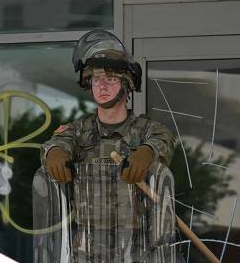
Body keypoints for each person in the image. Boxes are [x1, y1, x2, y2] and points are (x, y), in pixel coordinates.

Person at [42, 29, 175, 186]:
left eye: (111, 79)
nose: (102, 87)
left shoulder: (147, 130)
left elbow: (163, 139)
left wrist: (148, 151)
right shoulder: (78, 130)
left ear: (127, 84)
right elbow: (58, 142)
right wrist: (54, 152)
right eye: (96, 80)